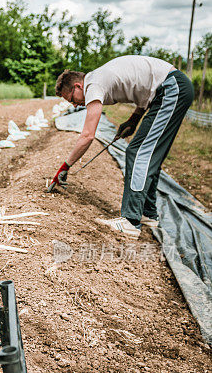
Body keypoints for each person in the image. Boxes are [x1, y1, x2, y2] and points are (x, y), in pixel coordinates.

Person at [49, 55, 194, 237]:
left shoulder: (92, 84)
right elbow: (145, 91)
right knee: (149, 154)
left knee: (138, 152)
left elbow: (87, 135)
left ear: (78, 86)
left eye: (71, 98)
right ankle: (147, 214)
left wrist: (65, 166)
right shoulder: (99, 78)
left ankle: (130, 221)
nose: (74, 104)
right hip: (170, 89)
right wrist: (133, 119)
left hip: (171, 89)